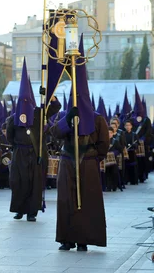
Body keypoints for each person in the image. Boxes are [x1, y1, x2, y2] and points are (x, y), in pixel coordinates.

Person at [49, 39, 108, 252]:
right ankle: (67, 238)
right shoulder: (63, 115)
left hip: (88, 163)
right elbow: (54, 133)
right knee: (66, 200)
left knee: (88, 201)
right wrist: (67, 120)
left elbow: (104, 144)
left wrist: (91, 157)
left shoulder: (97, 119)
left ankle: (84, 238)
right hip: (67, 160)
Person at [8, 60, 48, 222]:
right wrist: (17, 148)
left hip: (33, 155)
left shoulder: (38, 115)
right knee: (18, 182)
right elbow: (9, 136)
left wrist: (46, 95)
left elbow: (54, 108)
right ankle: (19, 210)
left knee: (33, 184)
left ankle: (32, 212)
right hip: (19, 154)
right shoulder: (13, 119)